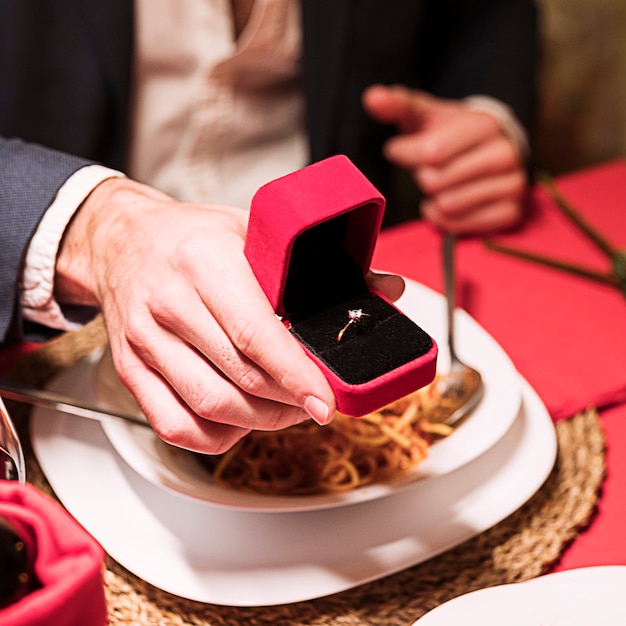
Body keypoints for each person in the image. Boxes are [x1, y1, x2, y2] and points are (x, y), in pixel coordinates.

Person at [0, 0, 538, 454]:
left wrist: (488, 111)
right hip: (63, 298)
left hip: (338, 249)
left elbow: (483, 15)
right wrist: (99, 228)